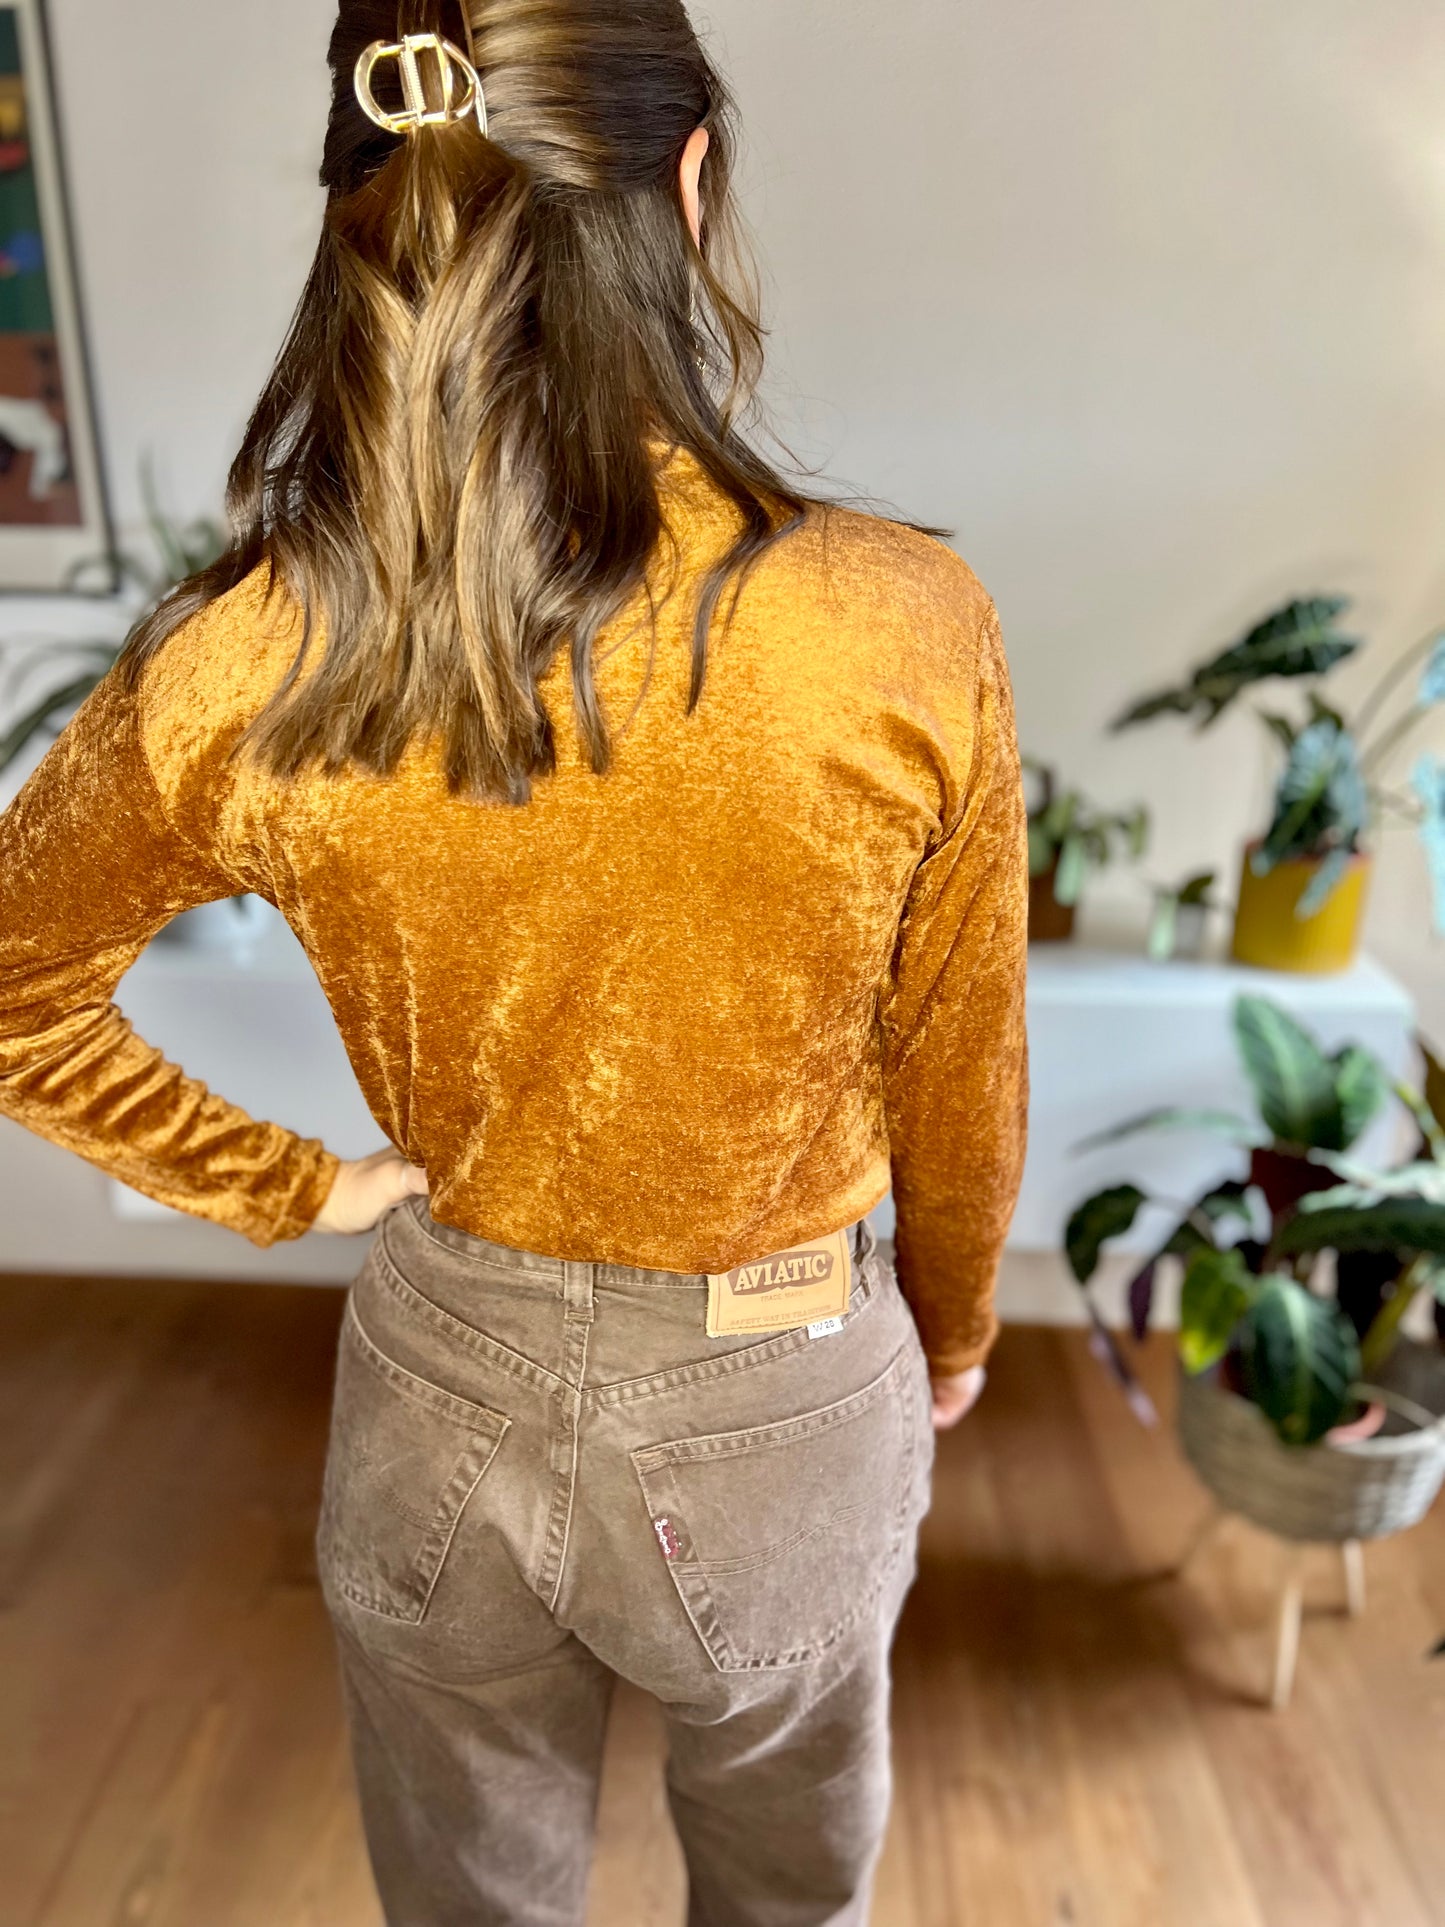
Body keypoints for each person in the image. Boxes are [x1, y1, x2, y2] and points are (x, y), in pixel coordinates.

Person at [0, 2, 1028, 1921]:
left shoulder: (241, 655)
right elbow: (957, 1056)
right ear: (689, 182)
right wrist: (957, 1330)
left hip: (437, 1384)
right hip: (780, 1388)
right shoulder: (899, 624)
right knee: (786, 1900)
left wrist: (290, 1184)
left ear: (363, 216)